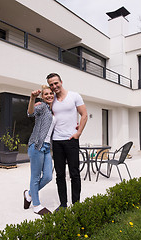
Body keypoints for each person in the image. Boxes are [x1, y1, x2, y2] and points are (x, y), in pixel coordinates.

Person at [46, 73, 88, 211]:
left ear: (61, 82)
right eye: (51, 84)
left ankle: (76, 204)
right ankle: (63, 204)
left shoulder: (74, 96)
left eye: (56, 83)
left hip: (71, 141)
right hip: (57, 141)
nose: (54, 86)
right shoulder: (52, 101)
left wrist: (78, 133)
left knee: (74, 173)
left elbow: (84, 115)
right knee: (59, 175)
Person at [23, 85, 56, 216]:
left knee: (48, 176)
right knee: (35, 177)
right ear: (42, 97)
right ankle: (36, 205)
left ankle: (29, 194)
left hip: (47, 147)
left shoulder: (54, 111)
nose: (49, 96)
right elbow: (30, 113)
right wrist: (32, 98)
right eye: (46, 94)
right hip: (37, 145)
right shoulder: (41, 106)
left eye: (51, 93)